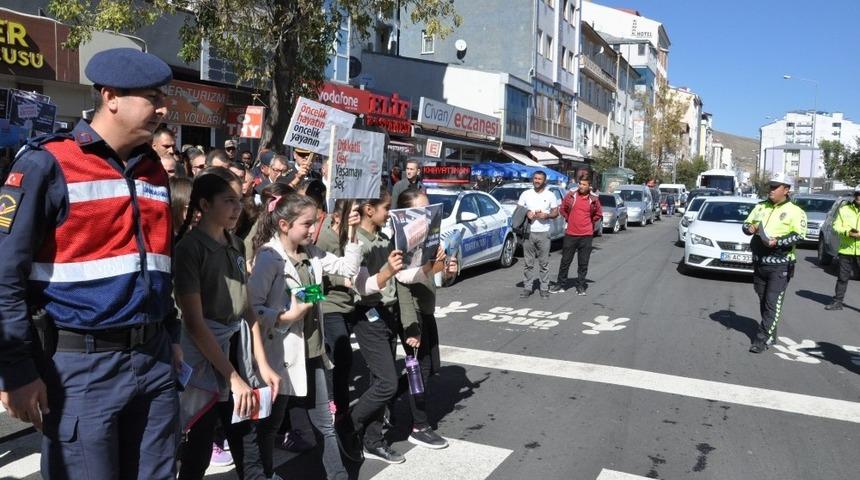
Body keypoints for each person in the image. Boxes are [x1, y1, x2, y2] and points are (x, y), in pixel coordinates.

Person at [0, 47, 180, 479]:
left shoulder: (154, 170)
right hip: (82, 367)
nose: (163, 108)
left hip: (154, 359)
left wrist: (171, 335)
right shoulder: (47, 163)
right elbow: (4, 276)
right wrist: (16, 371)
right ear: (110, 97)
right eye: (152, 98)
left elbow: (158, 263)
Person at [247, 193, 362, 480]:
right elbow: (251, 308)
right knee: (270, 426)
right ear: (284, 225)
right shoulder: (269, 258)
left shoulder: (312, 254)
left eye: (315, 222)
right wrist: (287, 316)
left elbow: (348, 268)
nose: (313, 230)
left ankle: (338, 476)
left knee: (324, 423)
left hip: (313, 352)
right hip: (281, 357)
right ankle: (264, 475)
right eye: (307, 224)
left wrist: (352, 231)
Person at [174, 167, 265, 479]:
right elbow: (195, 323)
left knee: (248, 440)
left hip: (236, 350)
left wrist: (261, 363)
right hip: (205, 355)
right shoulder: (189, 249)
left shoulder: (236, 244)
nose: (237, 208)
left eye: (239, 200)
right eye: (228, 201)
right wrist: (233, 377)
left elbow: (246, 307)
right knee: (198, 446)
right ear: (204, 204)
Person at [393, 189, 458, 449]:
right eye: (422, 210)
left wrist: (449, 270)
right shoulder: (401, 242)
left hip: (427, 311)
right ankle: (419, 426)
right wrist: (411, 326)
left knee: (427, 368)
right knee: (419, 369)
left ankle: (386, 399)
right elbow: (402, 286)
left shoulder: (429, 238)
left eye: (429, 208)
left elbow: (436, 276)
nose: (428, 214)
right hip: (413, 314)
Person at [742, 173, 806, 354]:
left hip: (780, 265)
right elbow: (746, 225)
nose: (771, 190)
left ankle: (761, 339)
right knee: (763, 300)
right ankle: (770, 331)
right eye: (770, 186)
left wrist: (777, 242)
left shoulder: (795, 211)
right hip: (759, 262)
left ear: (786, 190)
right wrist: (750, 228)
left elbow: (799, 236)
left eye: (775, 187)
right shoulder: (760, 206)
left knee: (772, 302)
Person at [552, 176, 602, 296]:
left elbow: (598, 214)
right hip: (571, 234)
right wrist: (569, 218)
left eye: (584, 184)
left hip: (586, 235)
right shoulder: (571, 195)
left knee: (583, 263)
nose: (581, 186)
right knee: (565, 261)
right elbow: (563, 209)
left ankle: (580, 286)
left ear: (589, 186)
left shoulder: (594, 199)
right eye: (580, 184)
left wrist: (589, 222)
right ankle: (560, 284)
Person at [517, 171, 559, 298]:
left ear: (544, 181)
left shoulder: (550, 195)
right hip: (528, 232)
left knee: (543, 263)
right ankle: (527, 287)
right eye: (535, 178)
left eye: (540, 179)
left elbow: (556, 213)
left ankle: (544, 288)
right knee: (528, 263)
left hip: (544, 232)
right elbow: (518, 209)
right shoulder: (526, 194)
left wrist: (546, 215)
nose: (537, 181)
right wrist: (527, 212)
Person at [825, 185, 860, 310]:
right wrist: (848, 232)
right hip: (846, 249)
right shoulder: (844, 209)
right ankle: (837, 302)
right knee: (842, 277)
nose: (859, 197)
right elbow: (836, 226)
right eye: (857, 194)